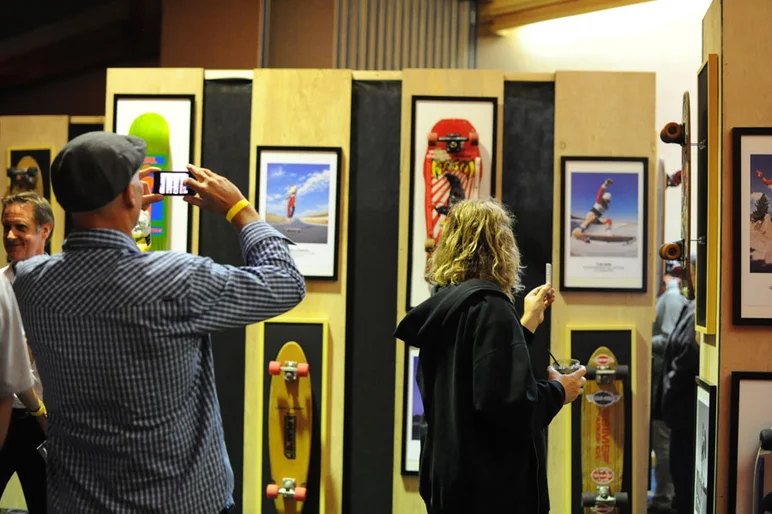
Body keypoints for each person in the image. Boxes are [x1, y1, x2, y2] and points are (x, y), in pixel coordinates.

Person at [11, 132, 306, 513]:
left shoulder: (32, 281)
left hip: (78, 502)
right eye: (136, 179)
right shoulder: (174, 277)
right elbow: (286, 283)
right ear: (130, 196)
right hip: (179, 503)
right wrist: (240, 210)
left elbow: (88, 267)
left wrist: (122, 221)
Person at [394, 199, 587, 514]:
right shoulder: (492, 308)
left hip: (449, 481)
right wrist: (559, 391)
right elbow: (506, 404)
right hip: (489, 488)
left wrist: (524, 325)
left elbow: (472, 374)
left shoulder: (445, 303)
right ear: (501, 247)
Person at [0, 192, 54, 513]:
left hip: (47, 426)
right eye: (5, 227)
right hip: (5, 416)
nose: (9, 235)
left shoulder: (64, 283)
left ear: (44, 230)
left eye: (19, 227)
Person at [648, 260, 687, 513]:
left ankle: (664, 498)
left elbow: (670, 338)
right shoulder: (672, 297)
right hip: (661, 381)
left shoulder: (671, 298)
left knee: (663, 445)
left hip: (664, 381)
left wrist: (643, 338)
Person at [0, 272, 34, 448]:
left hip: (46, 418)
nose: (11, 241)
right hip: (12, 410)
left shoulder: (59, 281)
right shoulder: (2, 283)